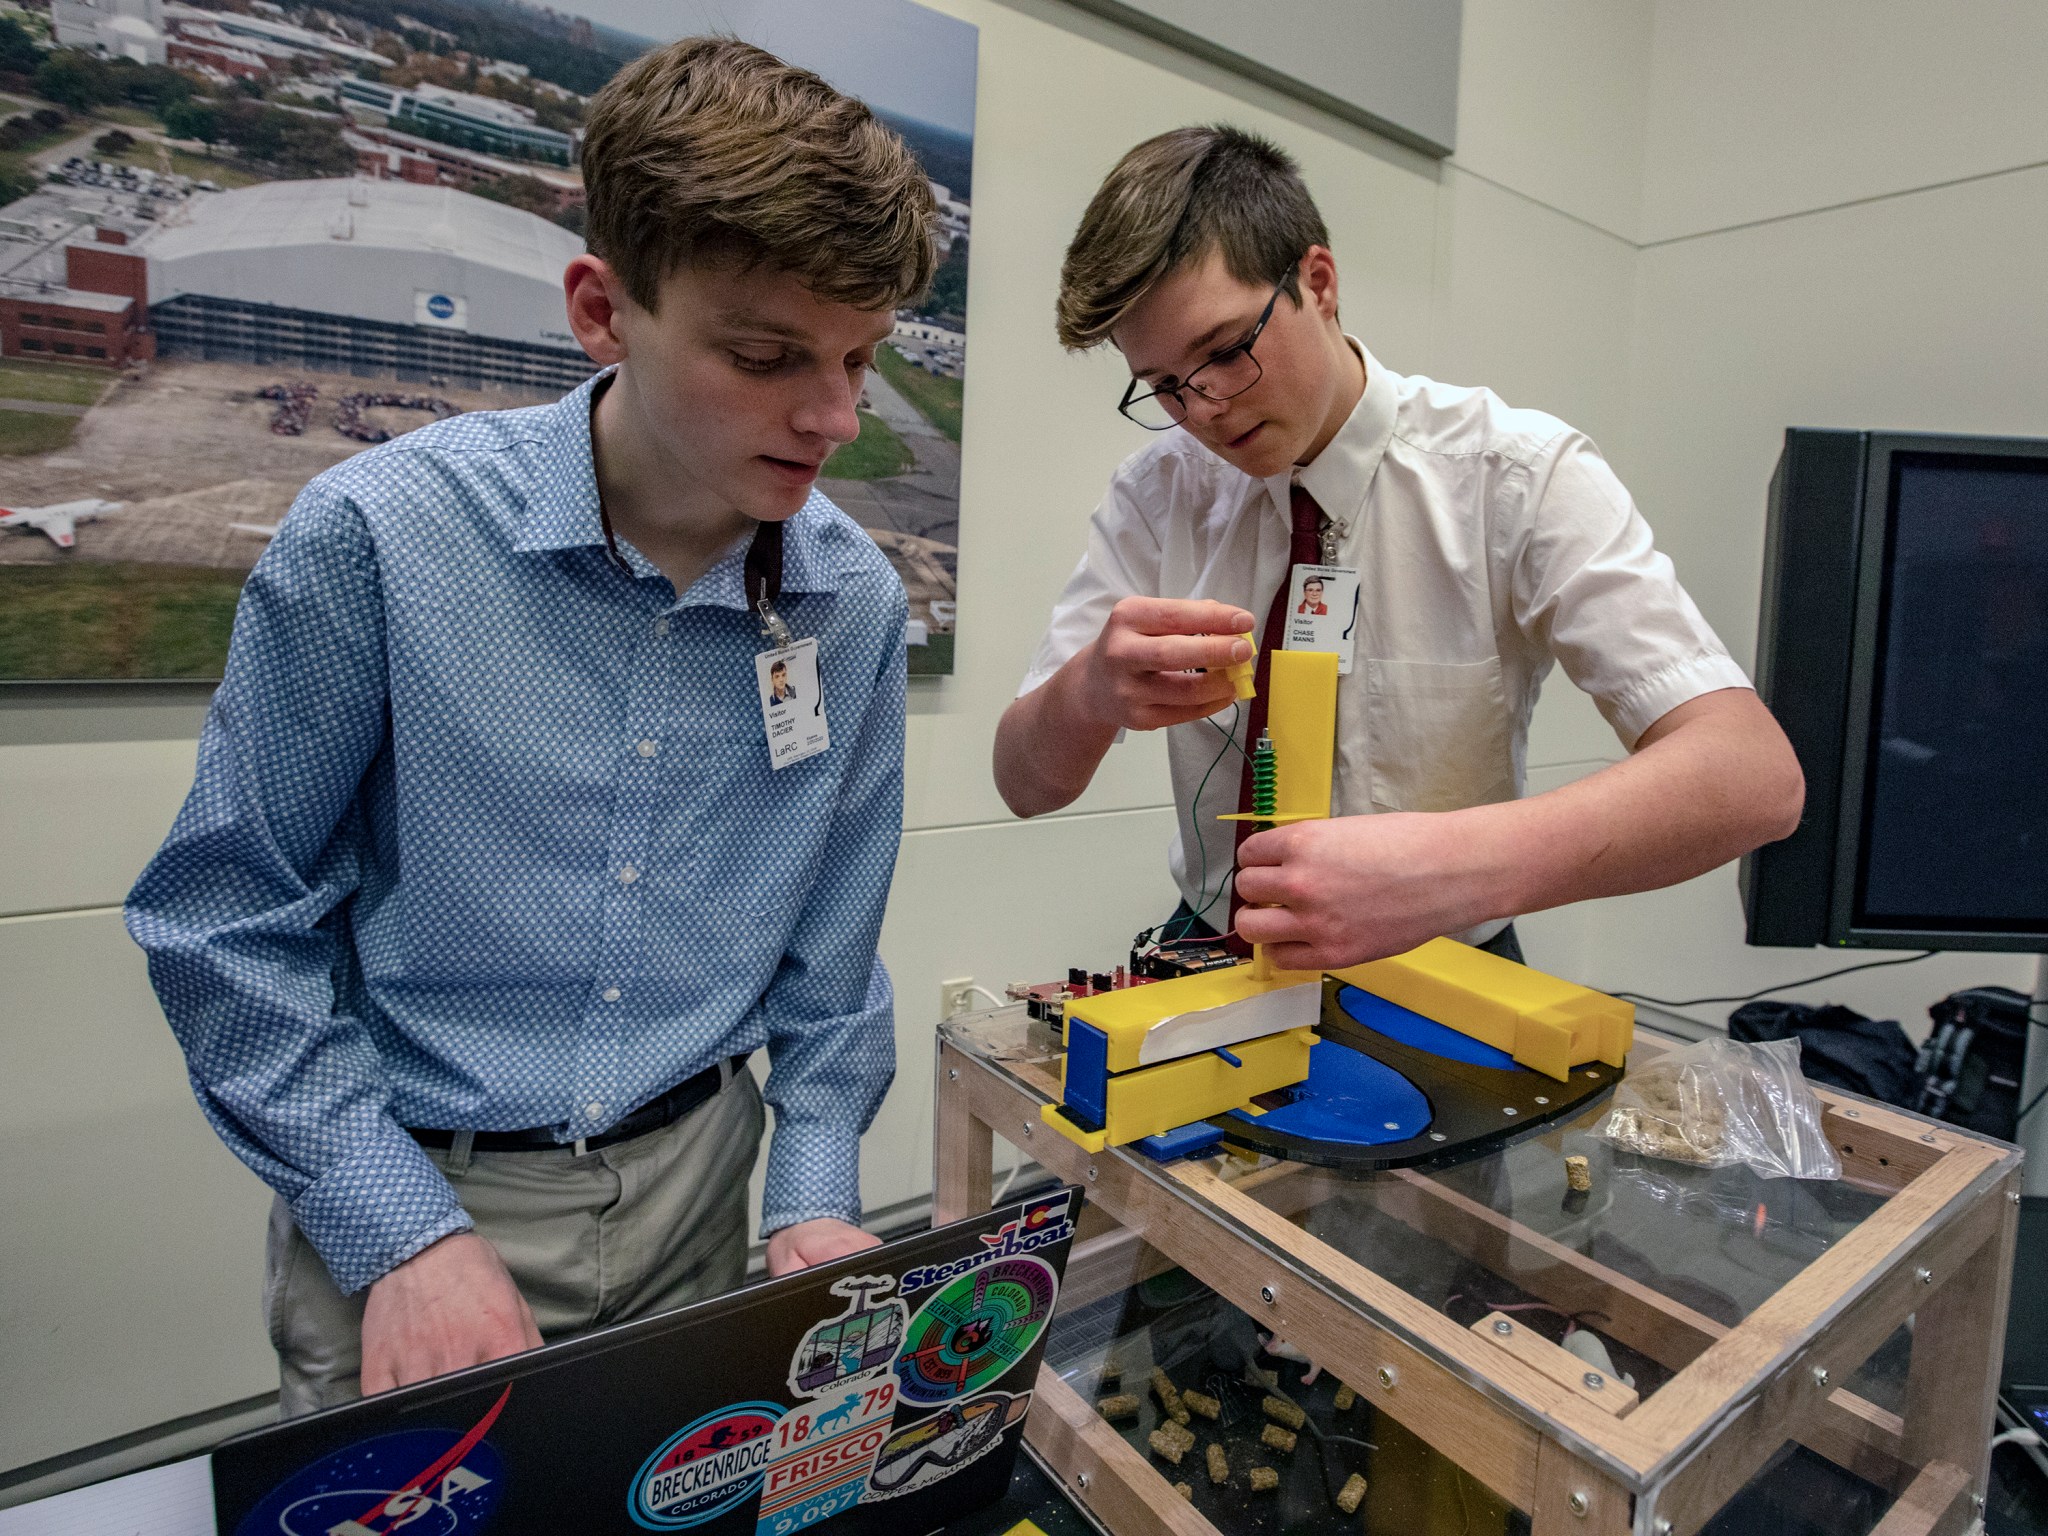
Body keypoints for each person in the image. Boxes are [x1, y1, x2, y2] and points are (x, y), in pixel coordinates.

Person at [125, 38, 932, 1414]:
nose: (836, 415)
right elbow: (225, 920)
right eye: (768, 356)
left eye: (862, 359)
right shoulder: (379, 538)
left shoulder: (849, 601)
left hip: (699, 1194)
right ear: (602, 311)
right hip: (417, 1190)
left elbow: (830, 962)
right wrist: (403, 1233)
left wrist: (809, 1199)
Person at [994, 125, 1804, 970]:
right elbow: (1025, 783)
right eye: (1163, 385)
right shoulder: (1158, 494)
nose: (1203, 411)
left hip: (1449, 961)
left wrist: (1447, 870)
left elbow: (1751, 777)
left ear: (1319, 281)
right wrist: (1088, 690)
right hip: (1211, 950)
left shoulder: (1516, 475)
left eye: (1227, 353)